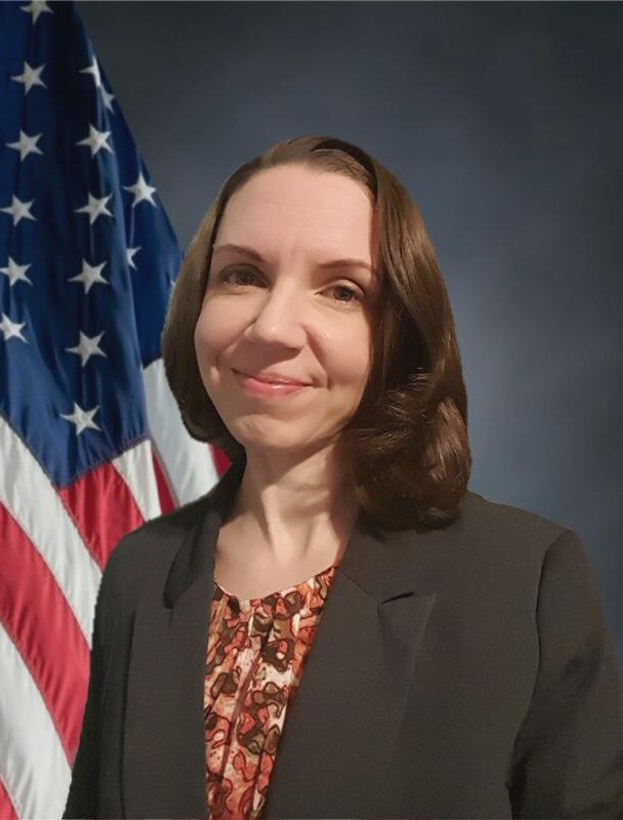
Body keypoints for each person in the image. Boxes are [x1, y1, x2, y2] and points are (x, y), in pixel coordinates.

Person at [63, 135, 623, 820]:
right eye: (243, 275)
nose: (272, 327)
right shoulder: (141, 572)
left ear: (400, 333)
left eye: (340, 290)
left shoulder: (526, 578)